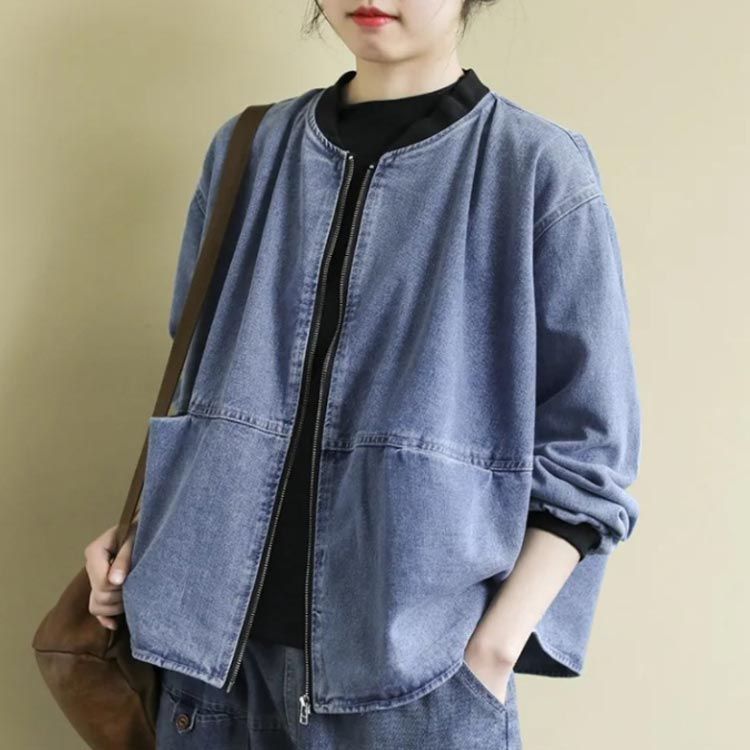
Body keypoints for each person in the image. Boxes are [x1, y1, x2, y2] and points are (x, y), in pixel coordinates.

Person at [83, 1, 642, 748]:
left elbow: (590, 448)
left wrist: (494, 647)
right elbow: (196, 381)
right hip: (207, 674)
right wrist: (142, 535)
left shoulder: (535, 168)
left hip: (418, 690)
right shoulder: (249, 148)